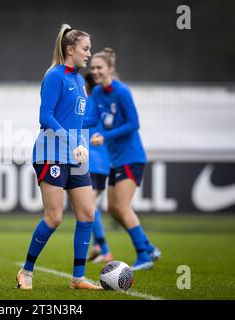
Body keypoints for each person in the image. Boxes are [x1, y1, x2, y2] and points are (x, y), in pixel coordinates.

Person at [16, 24, 102, 290]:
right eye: (86, 49)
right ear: (70, 49)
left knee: (87, 214)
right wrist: (73, 141)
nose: (89, 54)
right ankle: (26, 271)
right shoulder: (54, 76)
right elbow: (46, 117)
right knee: (54, 218)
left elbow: (75, 119)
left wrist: (90, 135)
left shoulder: (78, 79)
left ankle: (78, 279)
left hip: (74, 155)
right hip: (50, 154)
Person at [83, 48, 161, 271]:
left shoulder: (122, 92)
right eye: (93, 68)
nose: (95, 71)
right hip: (116, 159)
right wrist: (67, 124)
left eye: (99, 67)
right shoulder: (97, 94)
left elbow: (134, 124)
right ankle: (148, 247)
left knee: (123, 207)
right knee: (114, 209)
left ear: (110, 69)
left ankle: (143, 256)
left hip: (132, 156)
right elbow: (91, 119)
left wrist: (105, 136)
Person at [83, 73, 113, 264]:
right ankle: (97, 246)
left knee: (88, 207)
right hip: (103, 163)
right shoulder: (104, 105)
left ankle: (104, 248)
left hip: (93, 163)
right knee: (91, 207)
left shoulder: (90, 102)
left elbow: (80, 124)